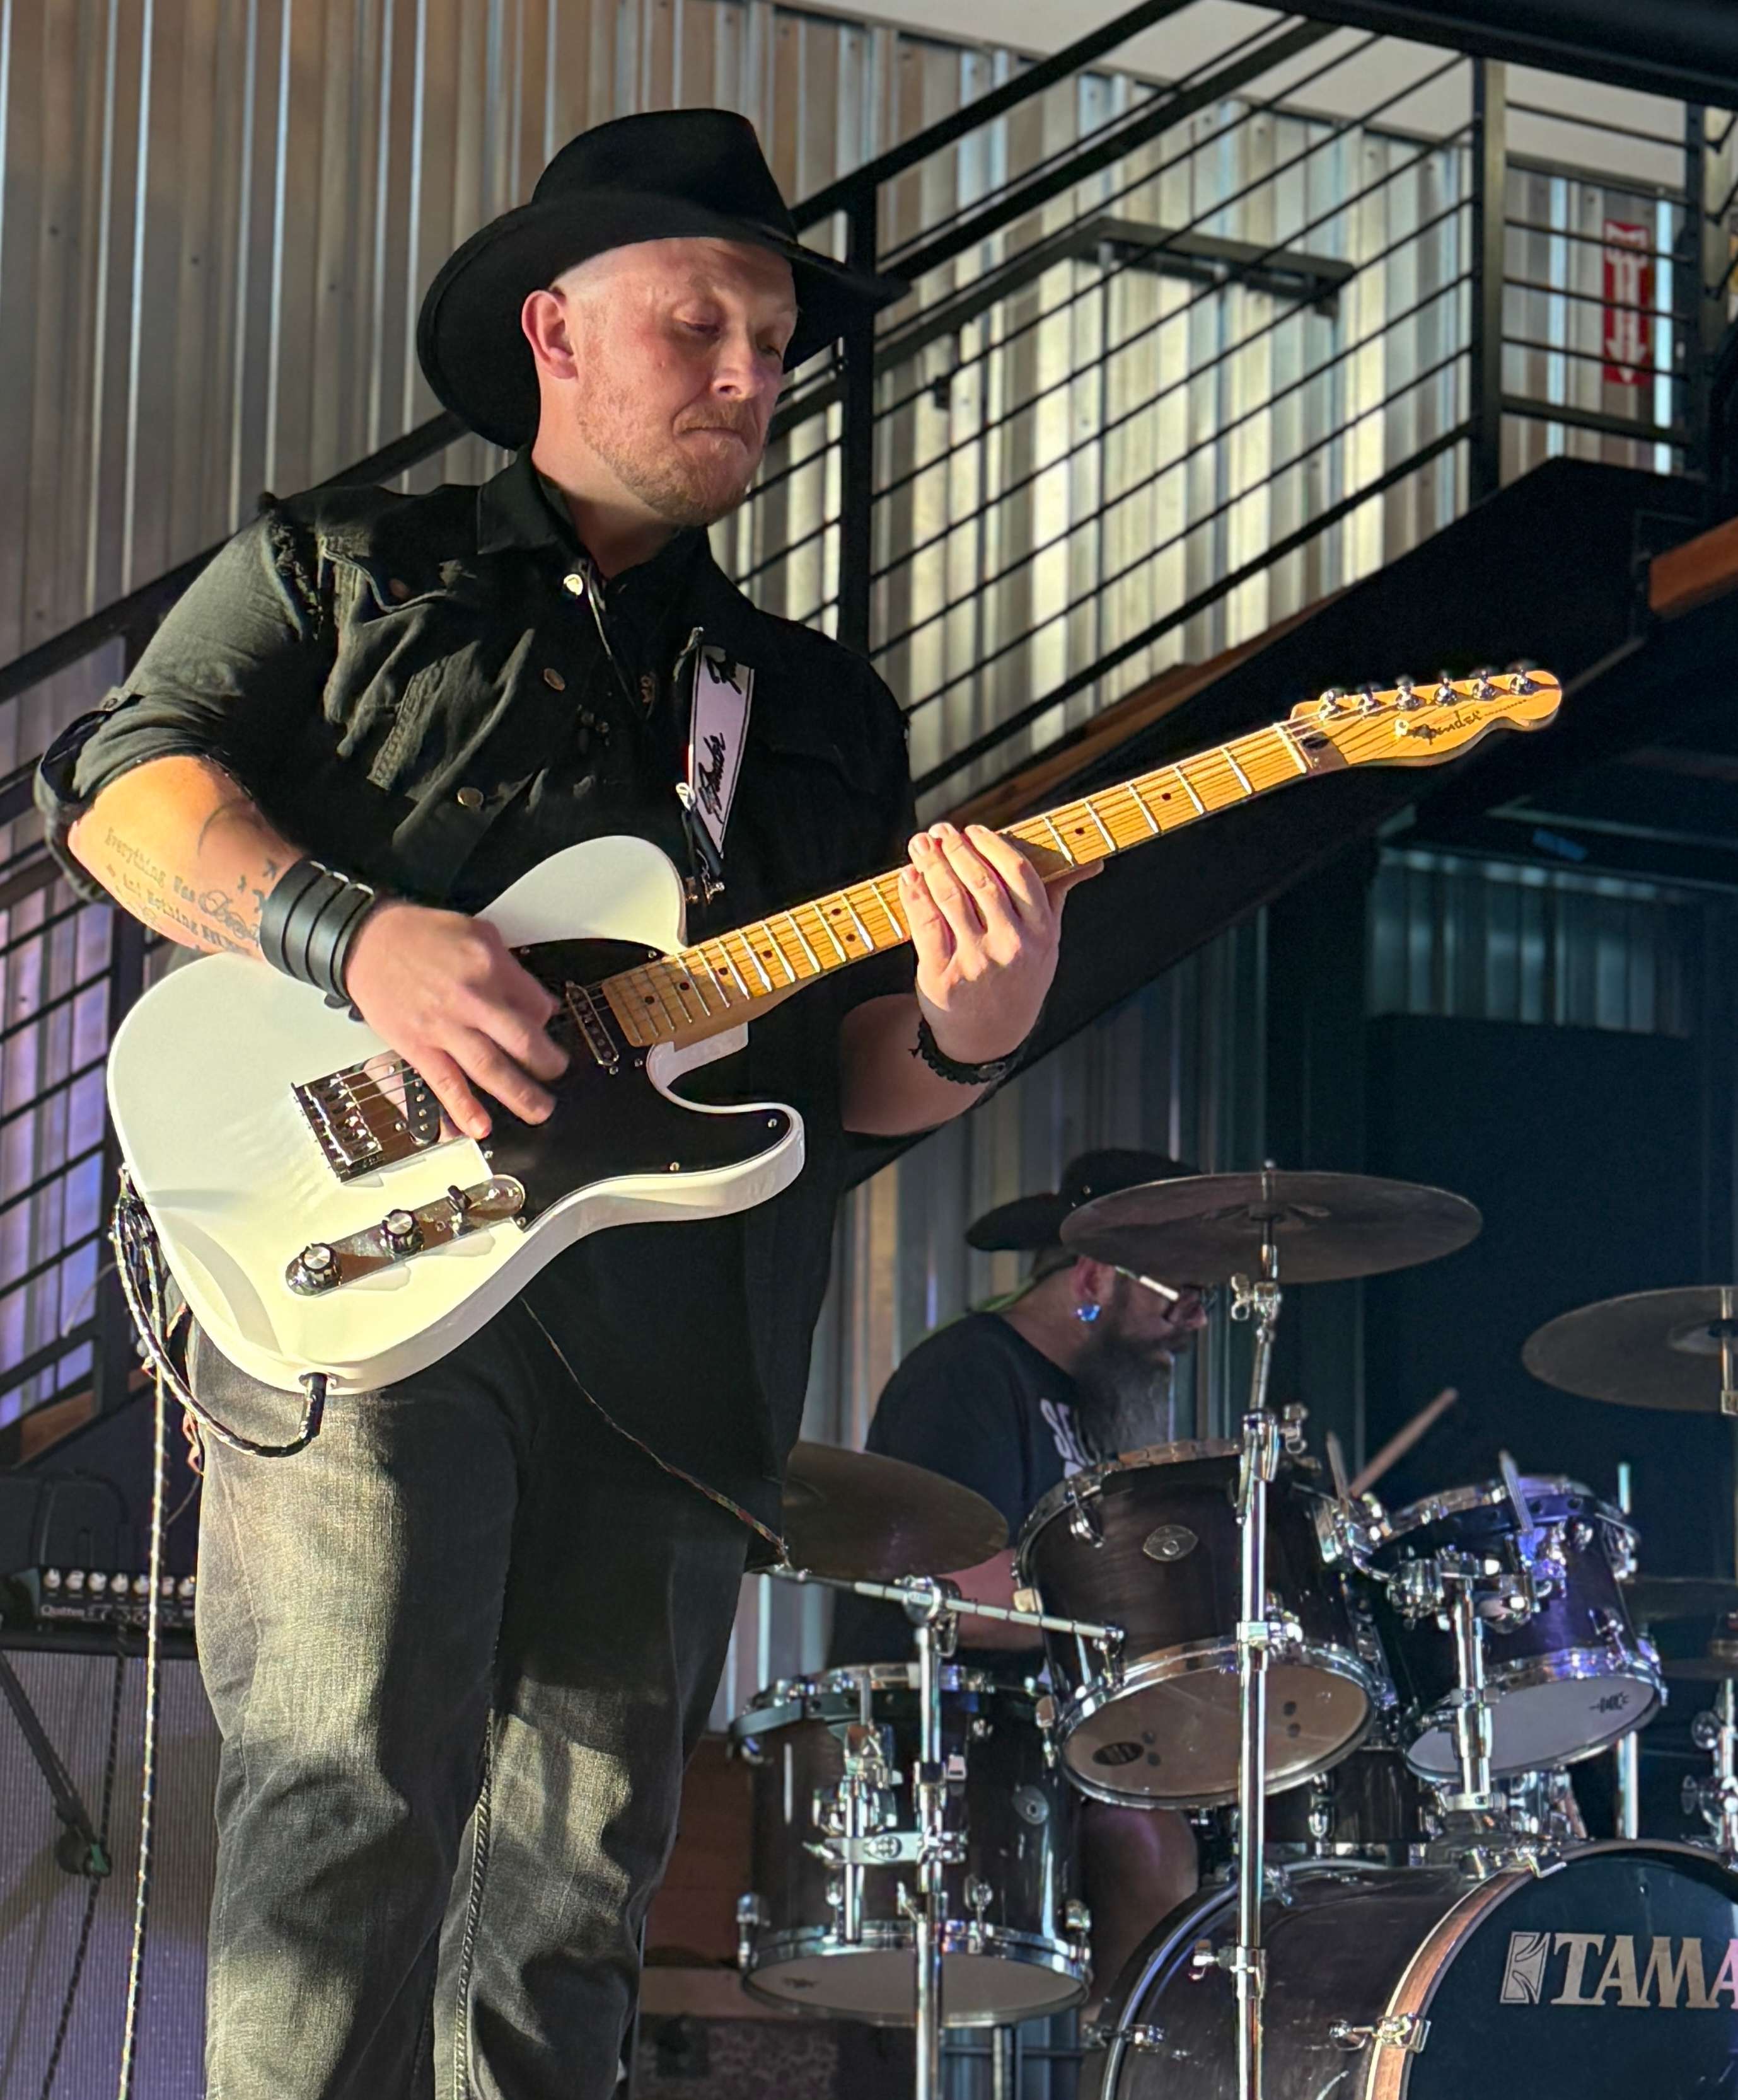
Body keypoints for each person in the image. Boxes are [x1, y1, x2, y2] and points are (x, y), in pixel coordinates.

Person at [37, 111, 1096, 2100]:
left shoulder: (814, 710)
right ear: (555, 328)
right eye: (700, 323)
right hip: (367, 1295)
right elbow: (117, 785)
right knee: (345, 1818)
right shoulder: (345, 568)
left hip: (681, 1345)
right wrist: (357, 938)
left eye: (776, 345)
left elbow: (838, 1097)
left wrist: (977, 1024)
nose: (747, 375)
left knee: (574, 1891)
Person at [828, 1149, 1209, 2002]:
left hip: (1048, 1729)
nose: (1196, 1321)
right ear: (1091, 1276)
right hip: (945, 1737)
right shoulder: (970, 1375)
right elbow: (962, 1599)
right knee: (1144, 1829)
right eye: (1180, 1293)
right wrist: (1157, 1621)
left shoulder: (1093, 1404)